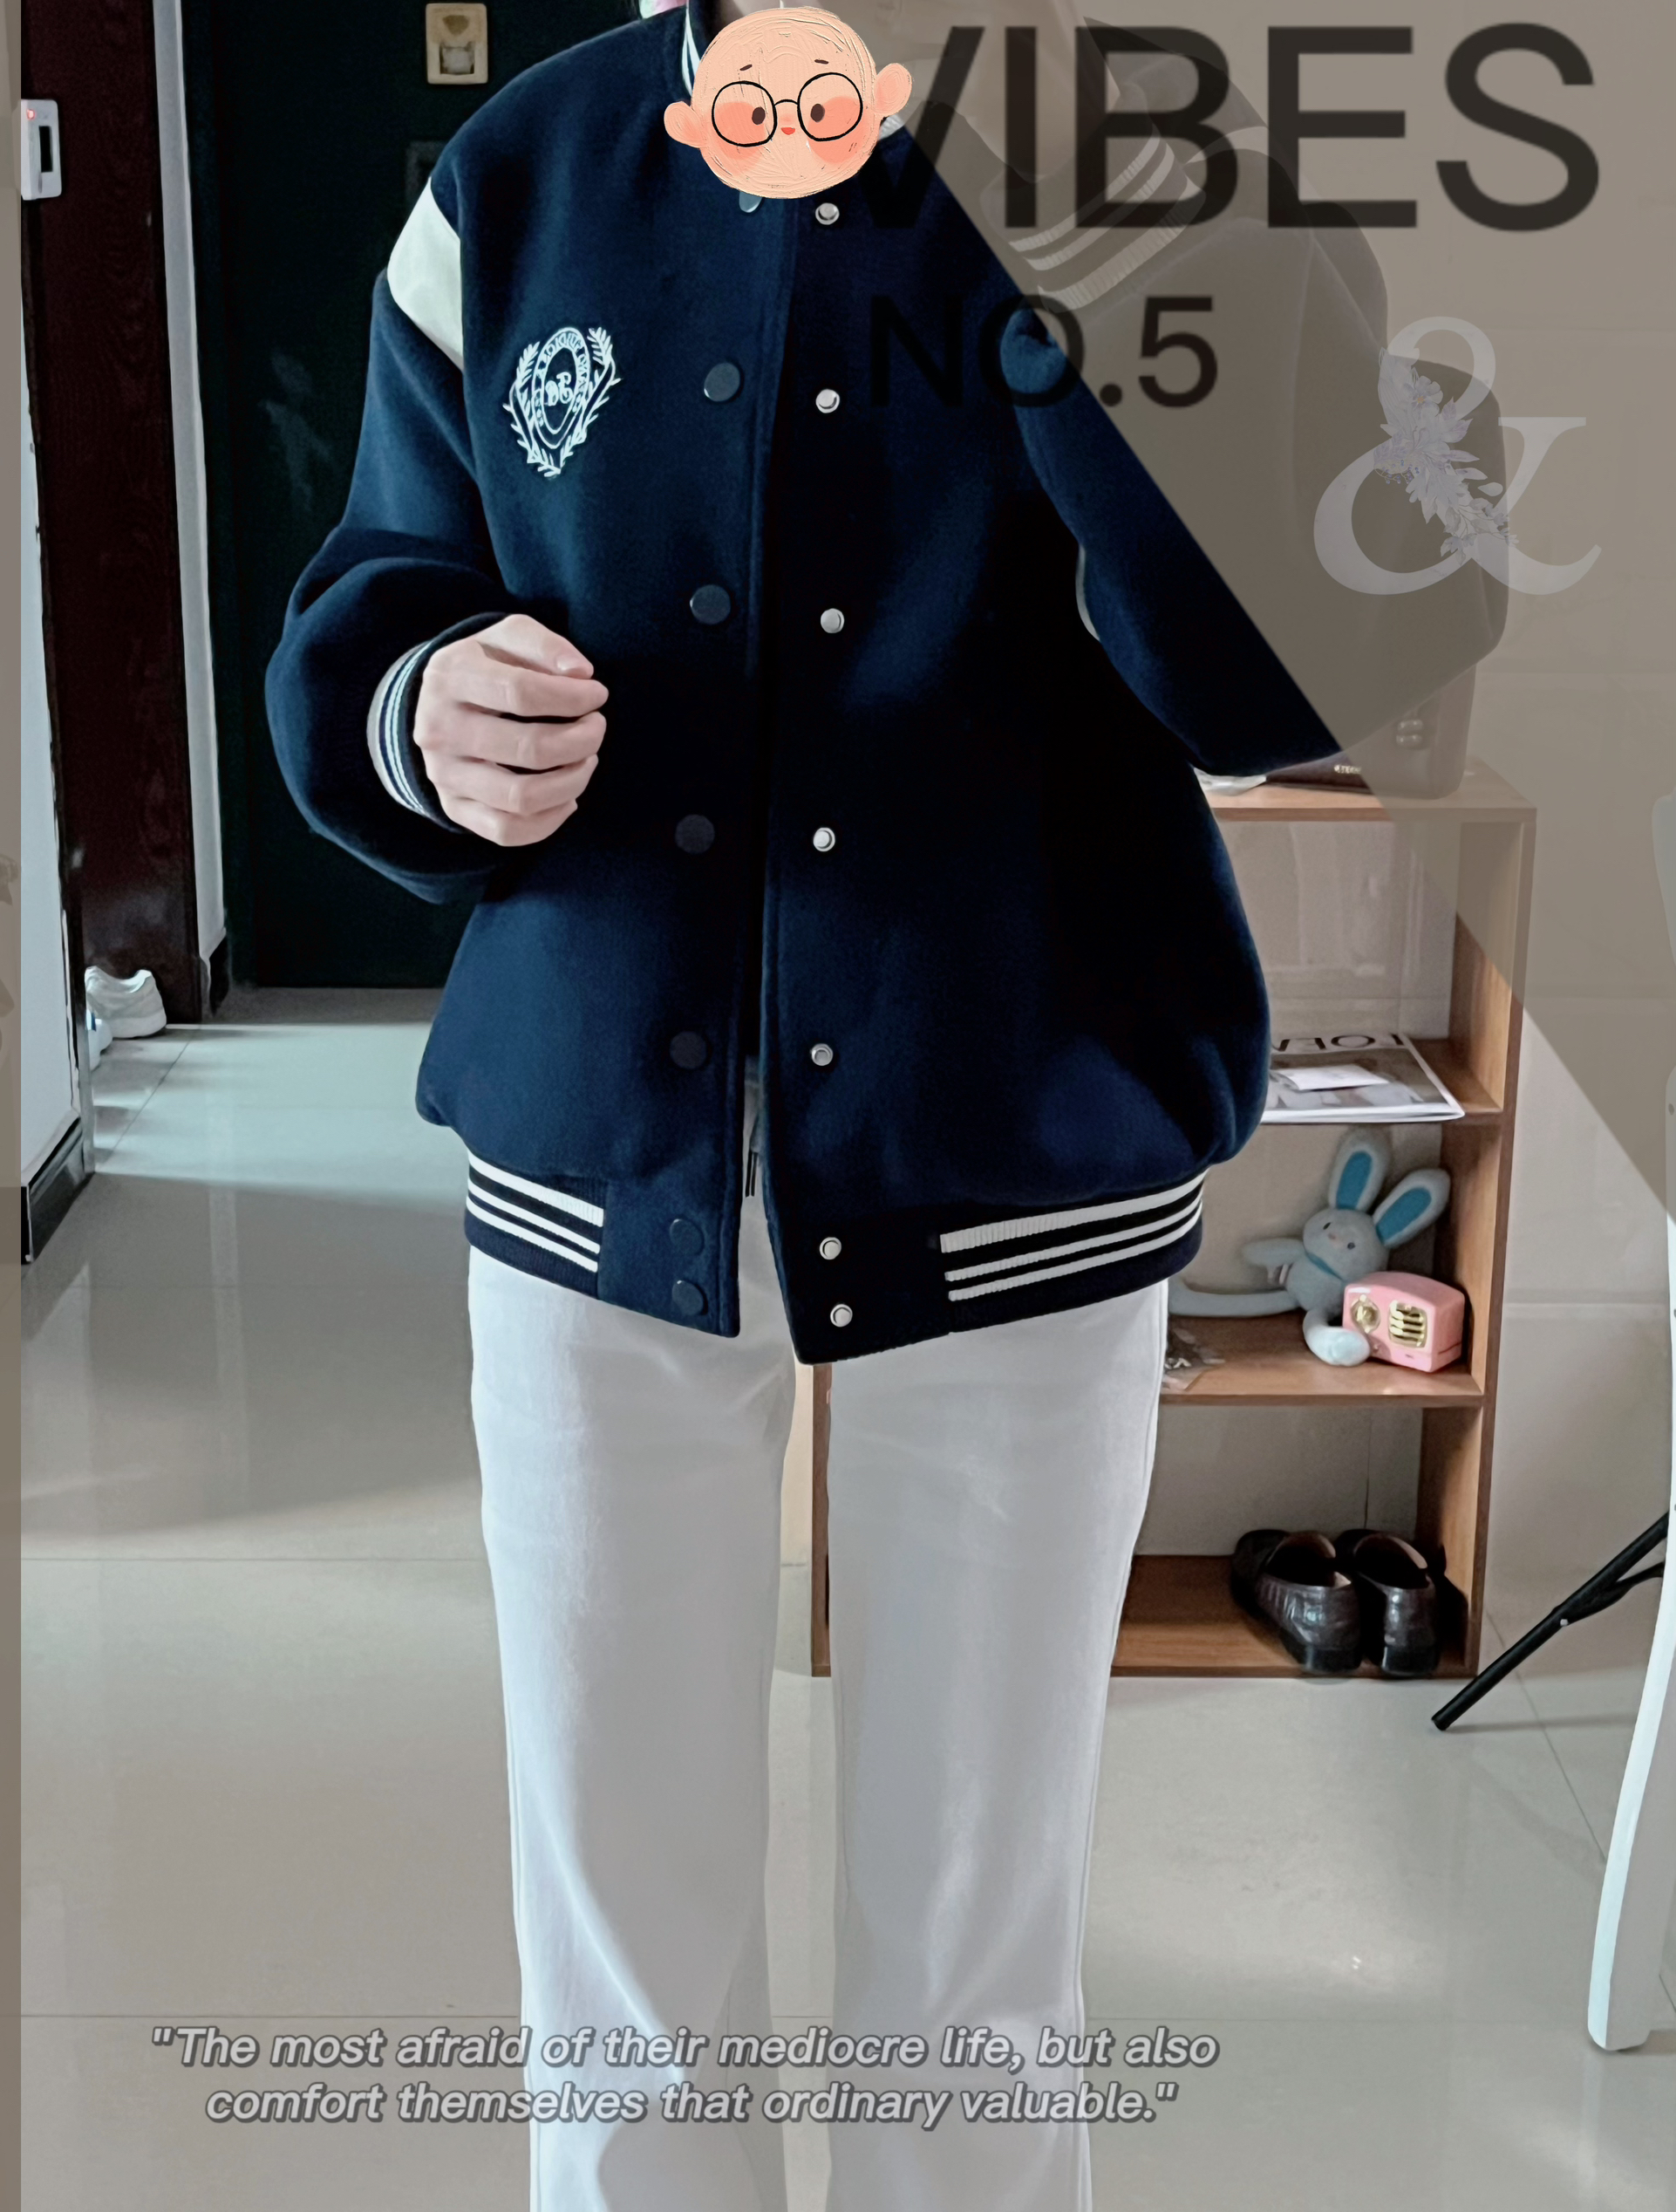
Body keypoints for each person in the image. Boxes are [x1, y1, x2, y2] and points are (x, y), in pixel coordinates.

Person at [267, 4, 1498, 2205]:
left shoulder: (1164, 149)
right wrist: (413, 704)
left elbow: (1287, 666)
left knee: (973, 1973)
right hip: (592, 1158)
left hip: (1014, 1142)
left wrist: (1089, 244)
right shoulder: (521, 176)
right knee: (617, 1978)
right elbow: (378, 579)